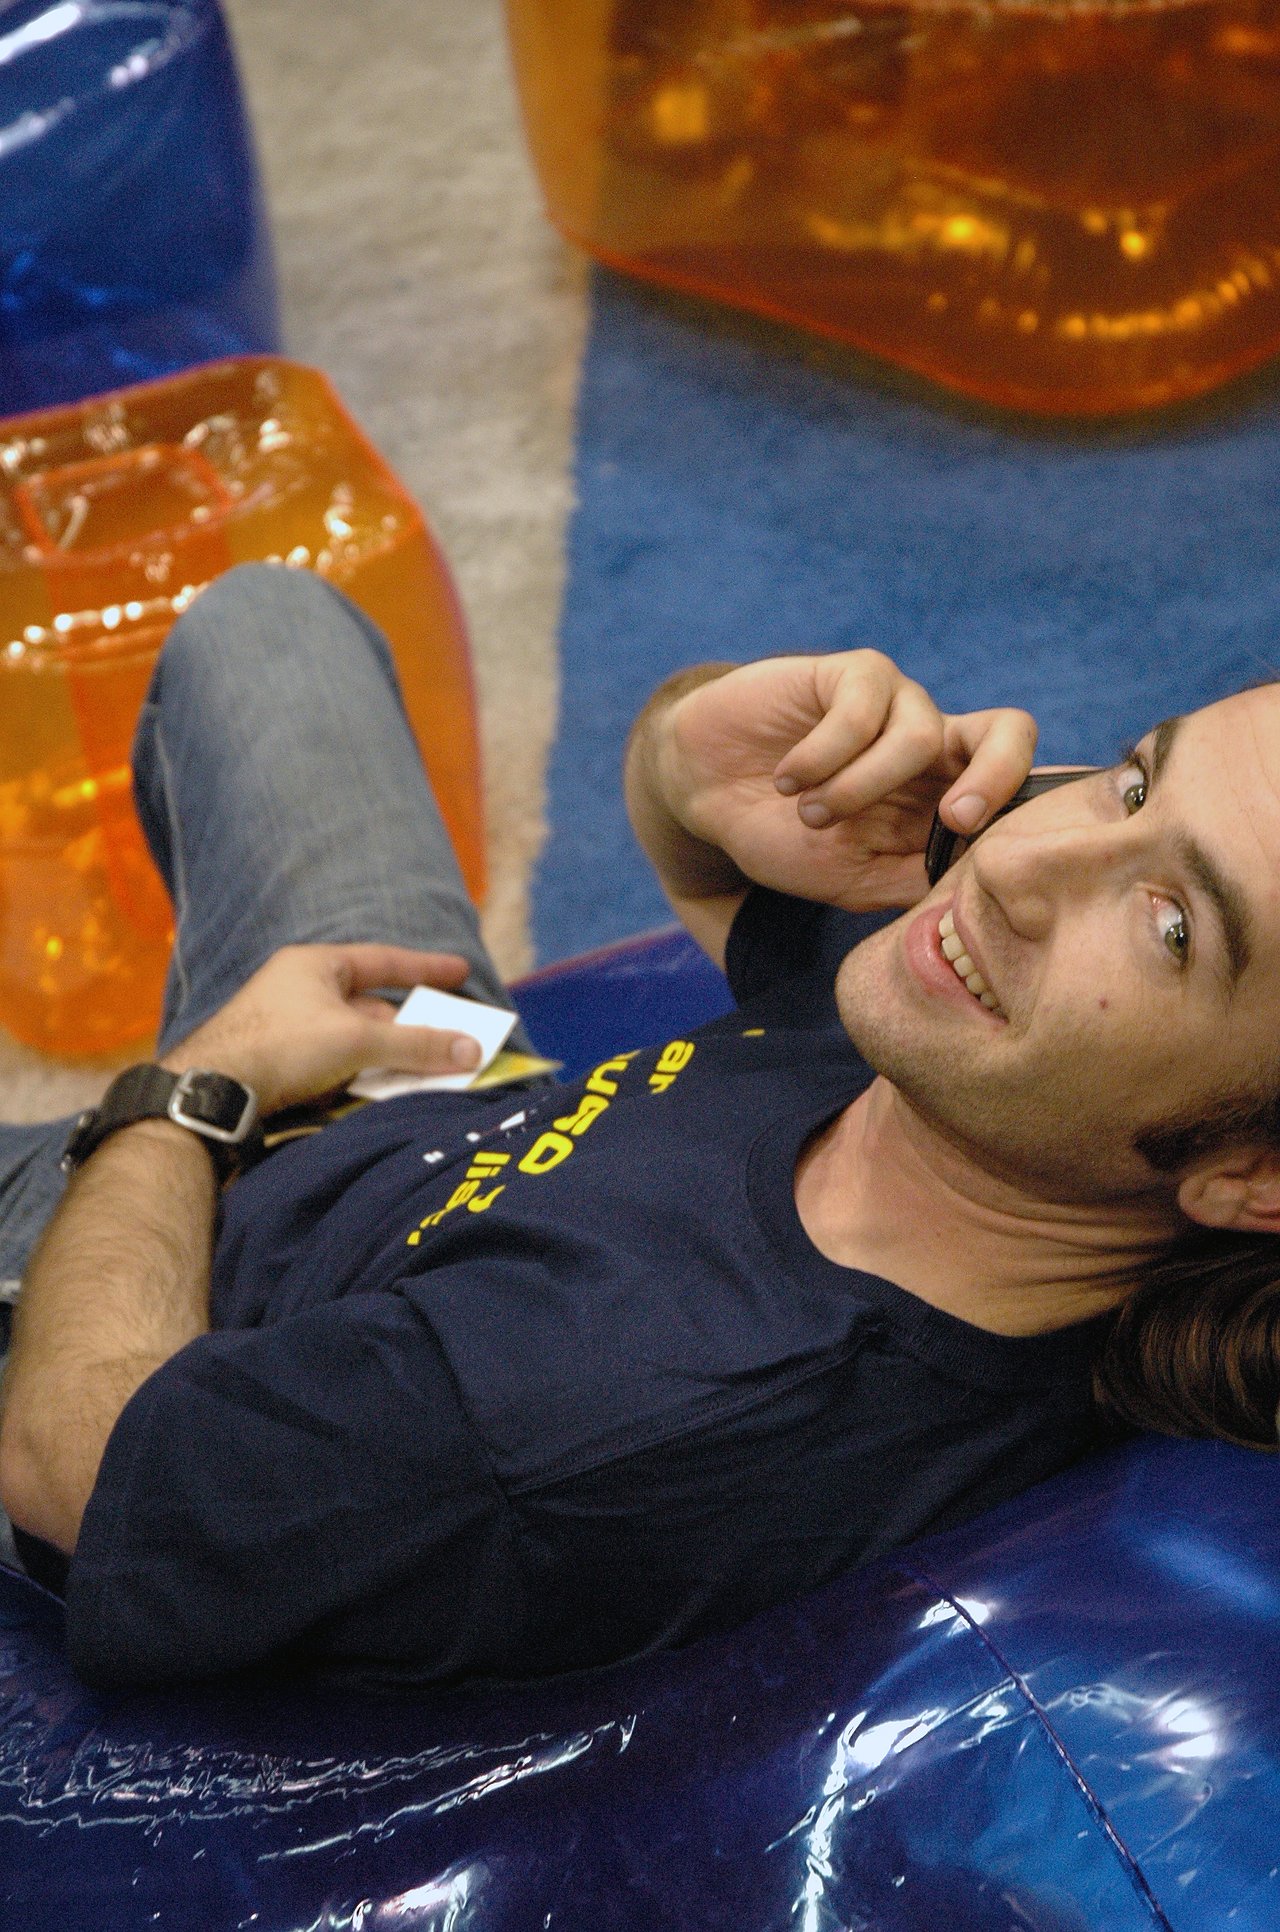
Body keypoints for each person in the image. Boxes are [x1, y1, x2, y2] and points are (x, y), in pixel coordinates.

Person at [1, 563, 1277, 1691]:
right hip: (451, 1092)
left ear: (1251, 1179)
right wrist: (690, 760)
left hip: (164, 1267)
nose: (1007, 864)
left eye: (1171, 928)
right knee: (271, 627)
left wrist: (188, 1097)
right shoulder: (983, 1062)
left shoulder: (588, 1417)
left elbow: (71, 1465)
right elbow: (719, 871)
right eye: (1127, 785)